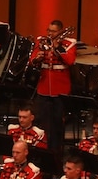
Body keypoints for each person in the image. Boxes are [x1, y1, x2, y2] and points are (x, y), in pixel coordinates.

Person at [29, 20, 77, 151]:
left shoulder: (69, 43)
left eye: (53, 31)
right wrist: (37, 59)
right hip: (44, 88)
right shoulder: (42, 41)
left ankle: (56, 152)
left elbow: (70, 61)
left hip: (60, 89)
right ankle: (42, 148)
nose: (50, 33)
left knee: (57, 124)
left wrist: (57, 47)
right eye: (48, 30)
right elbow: (31, 60)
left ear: (60, 31)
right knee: (41, 121)